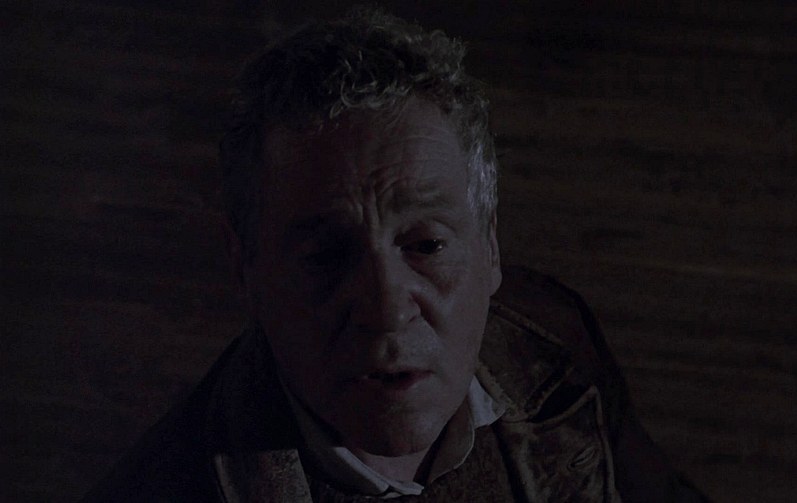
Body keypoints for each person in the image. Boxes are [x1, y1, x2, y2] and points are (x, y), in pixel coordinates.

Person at [84, 8, 707, 502]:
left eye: (427, 245)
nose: (386, 309)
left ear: (489, 246)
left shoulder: (552, 343)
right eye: (326, 257)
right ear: (244, 267)